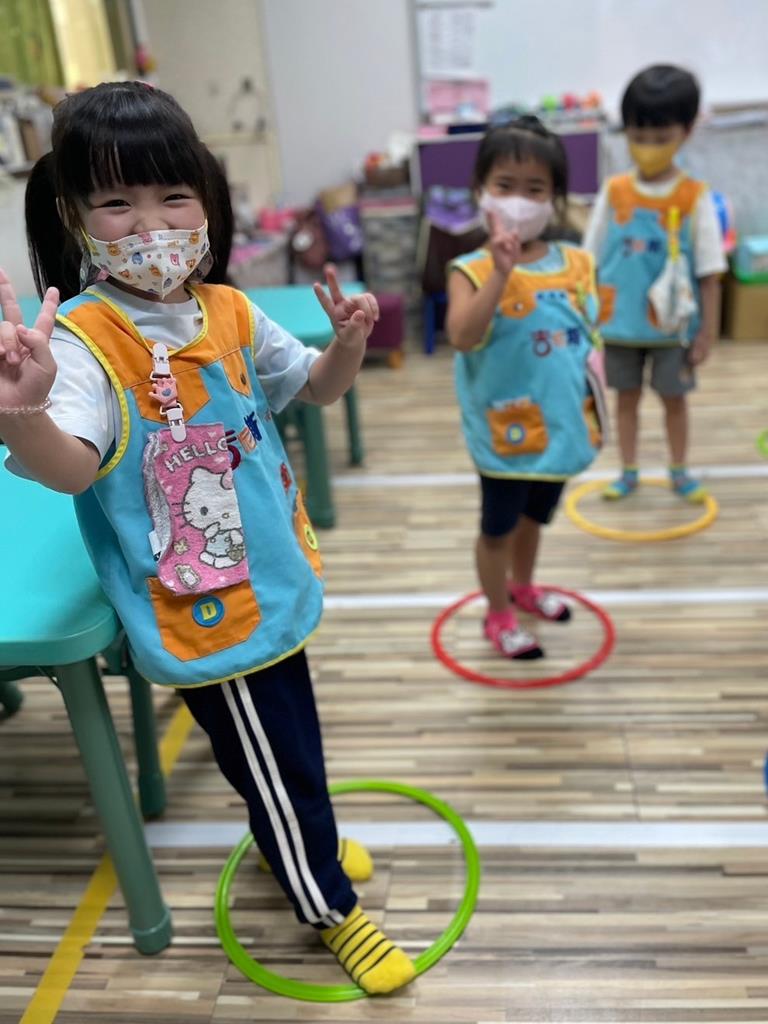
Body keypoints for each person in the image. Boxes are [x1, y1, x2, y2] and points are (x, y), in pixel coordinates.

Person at [0, 81, 414, 996]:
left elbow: (313, 388)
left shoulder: (226, 309)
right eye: (118, 202)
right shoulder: (85, 342)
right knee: (274, 762)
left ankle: (296, 835)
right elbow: (69, 468)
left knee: (289, 747)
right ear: (74, 218)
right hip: (203, 614)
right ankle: (328, 904)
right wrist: (21, 416)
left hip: (271, 580)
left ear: (207, 200)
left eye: (173, 196)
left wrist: (348, 344)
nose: (152, 225)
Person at [446, 116, 604, 660]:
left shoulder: (577, 263)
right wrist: (499, 272)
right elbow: (463, 337)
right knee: (497, 530)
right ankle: (498, 614)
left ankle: (524, 586)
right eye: (505, 185)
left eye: (535, 188)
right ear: (481, 190)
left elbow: (588, 338)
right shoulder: (469, 269)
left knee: (534, 520)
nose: (519, 200)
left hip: (561, 426)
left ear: (554, 198)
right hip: (507, 433)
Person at [583, 64, 726, 502]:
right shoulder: (614, 191)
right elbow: (587, 260)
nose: (647, 147)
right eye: (638, 136)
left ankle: (679, 471)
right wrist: (585, 320)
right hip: (618, 327)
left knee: (674, 401)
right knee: (625, 399)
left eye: (660, 137)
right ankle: (628, 471)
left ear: (687, 131)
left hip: (673, 329)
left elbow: (710, 272)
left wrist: (707, 334)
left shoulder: (695, 196)